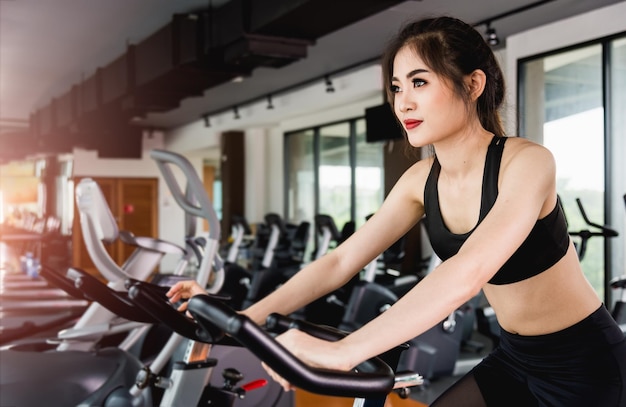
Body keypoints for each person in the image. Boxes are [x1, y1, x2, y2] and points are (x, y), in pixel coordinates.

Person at [167, 16, 626, 406]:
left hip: (586, 362)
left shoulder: (527, 162)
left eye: (419, 82)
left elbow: (469, 271)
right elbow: (340, 261)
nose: (402, 101)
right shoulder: (418, 181)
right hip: (514, 357)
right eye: (396, 86)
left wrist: (346, 350)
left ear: (473, 83)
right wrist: (249, 318)